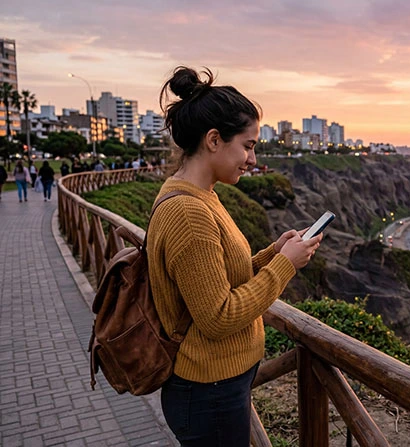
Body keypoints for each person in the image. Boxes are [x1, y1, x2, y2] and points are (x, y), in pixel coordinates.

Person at [148, 66, 322, 446]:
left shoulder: (200, 194)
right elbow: (218, 317)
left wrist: (272, 253)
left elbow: (218, 275)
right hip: (207, 389)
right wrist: (284, 265)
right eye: (248, 145)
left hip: (214, 385)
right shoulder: (189, 212)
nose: (253, 158)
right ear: (213, 140)